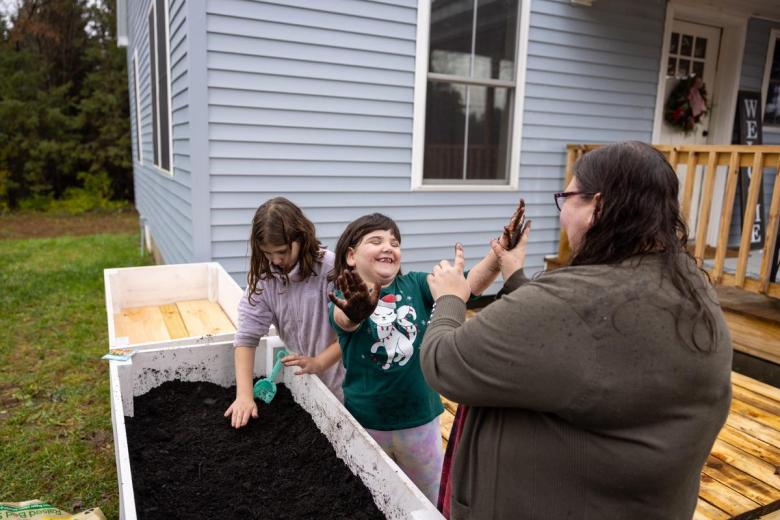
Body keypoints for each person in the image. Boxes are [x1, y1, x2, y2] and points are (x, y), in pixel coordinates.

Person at [421, 141, 733, 519]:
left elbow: (444, 362)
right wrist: (517, 278)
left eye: (566, 197)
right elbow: (584, 347)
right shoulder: (690, 286)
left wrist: (451, 298)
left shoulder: (576, 301)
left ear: (596, 206)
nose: (562, 213)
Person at [325, 212, 519, 504]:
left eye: (394, 242)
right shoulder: (345, 297)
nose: (388, 247)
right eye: (376, 240)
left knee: (428, 497)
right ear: (351, 256)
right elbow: (343, 320)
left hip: (419, 420)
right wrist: (355, 311)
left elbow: (467, 287)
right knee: (370, 497)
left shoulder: (415, 284)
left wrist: (498, 254)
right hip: (367, 424)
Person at [224, 197, 345, 429]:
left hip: (342, 385)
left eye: (282, 251)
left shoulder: (331, 270)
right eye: (267, 254)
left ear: (301, 237)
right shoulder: (266, 279)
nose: (276, 260)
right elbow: (247, 337)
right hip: (301, 383)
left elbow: (351, 334)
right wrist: (244, 396)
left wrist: (320, 362)